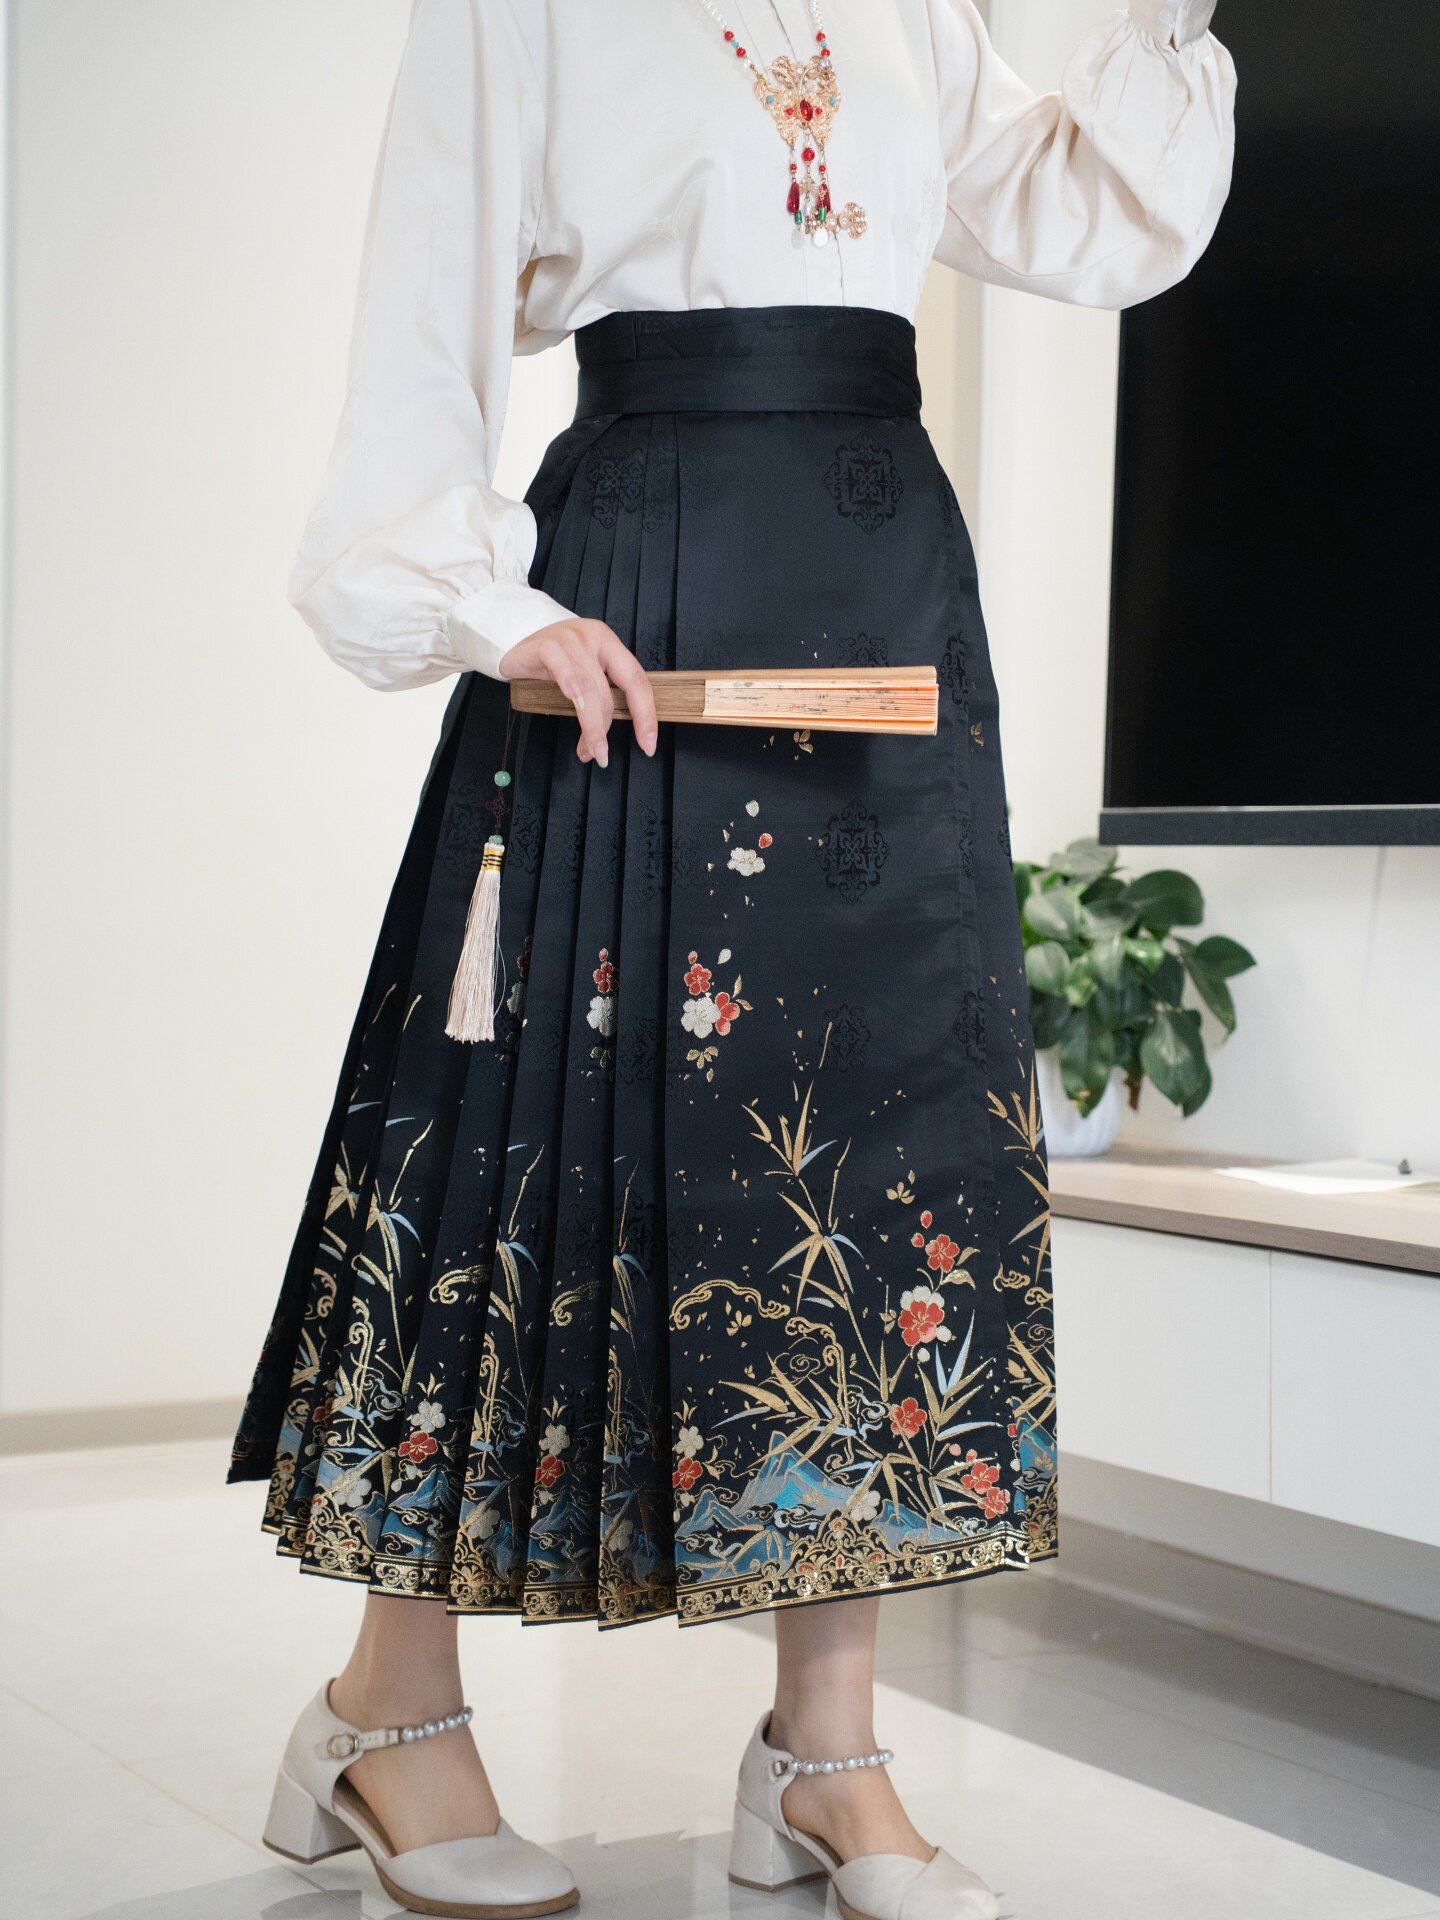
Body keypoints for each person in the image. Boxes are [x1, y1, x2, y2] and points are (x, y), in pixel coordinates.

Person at [228, 2, 1236, 1915]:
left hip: (882, 583)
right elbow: (424, 313)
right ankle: (388, 1708)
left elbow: (1106, 220)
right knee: (530, 1128)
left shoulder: (921, 9)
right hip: (635, 588)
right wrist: (486, 606)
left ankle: (823, 1759)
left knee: (875, 1145)